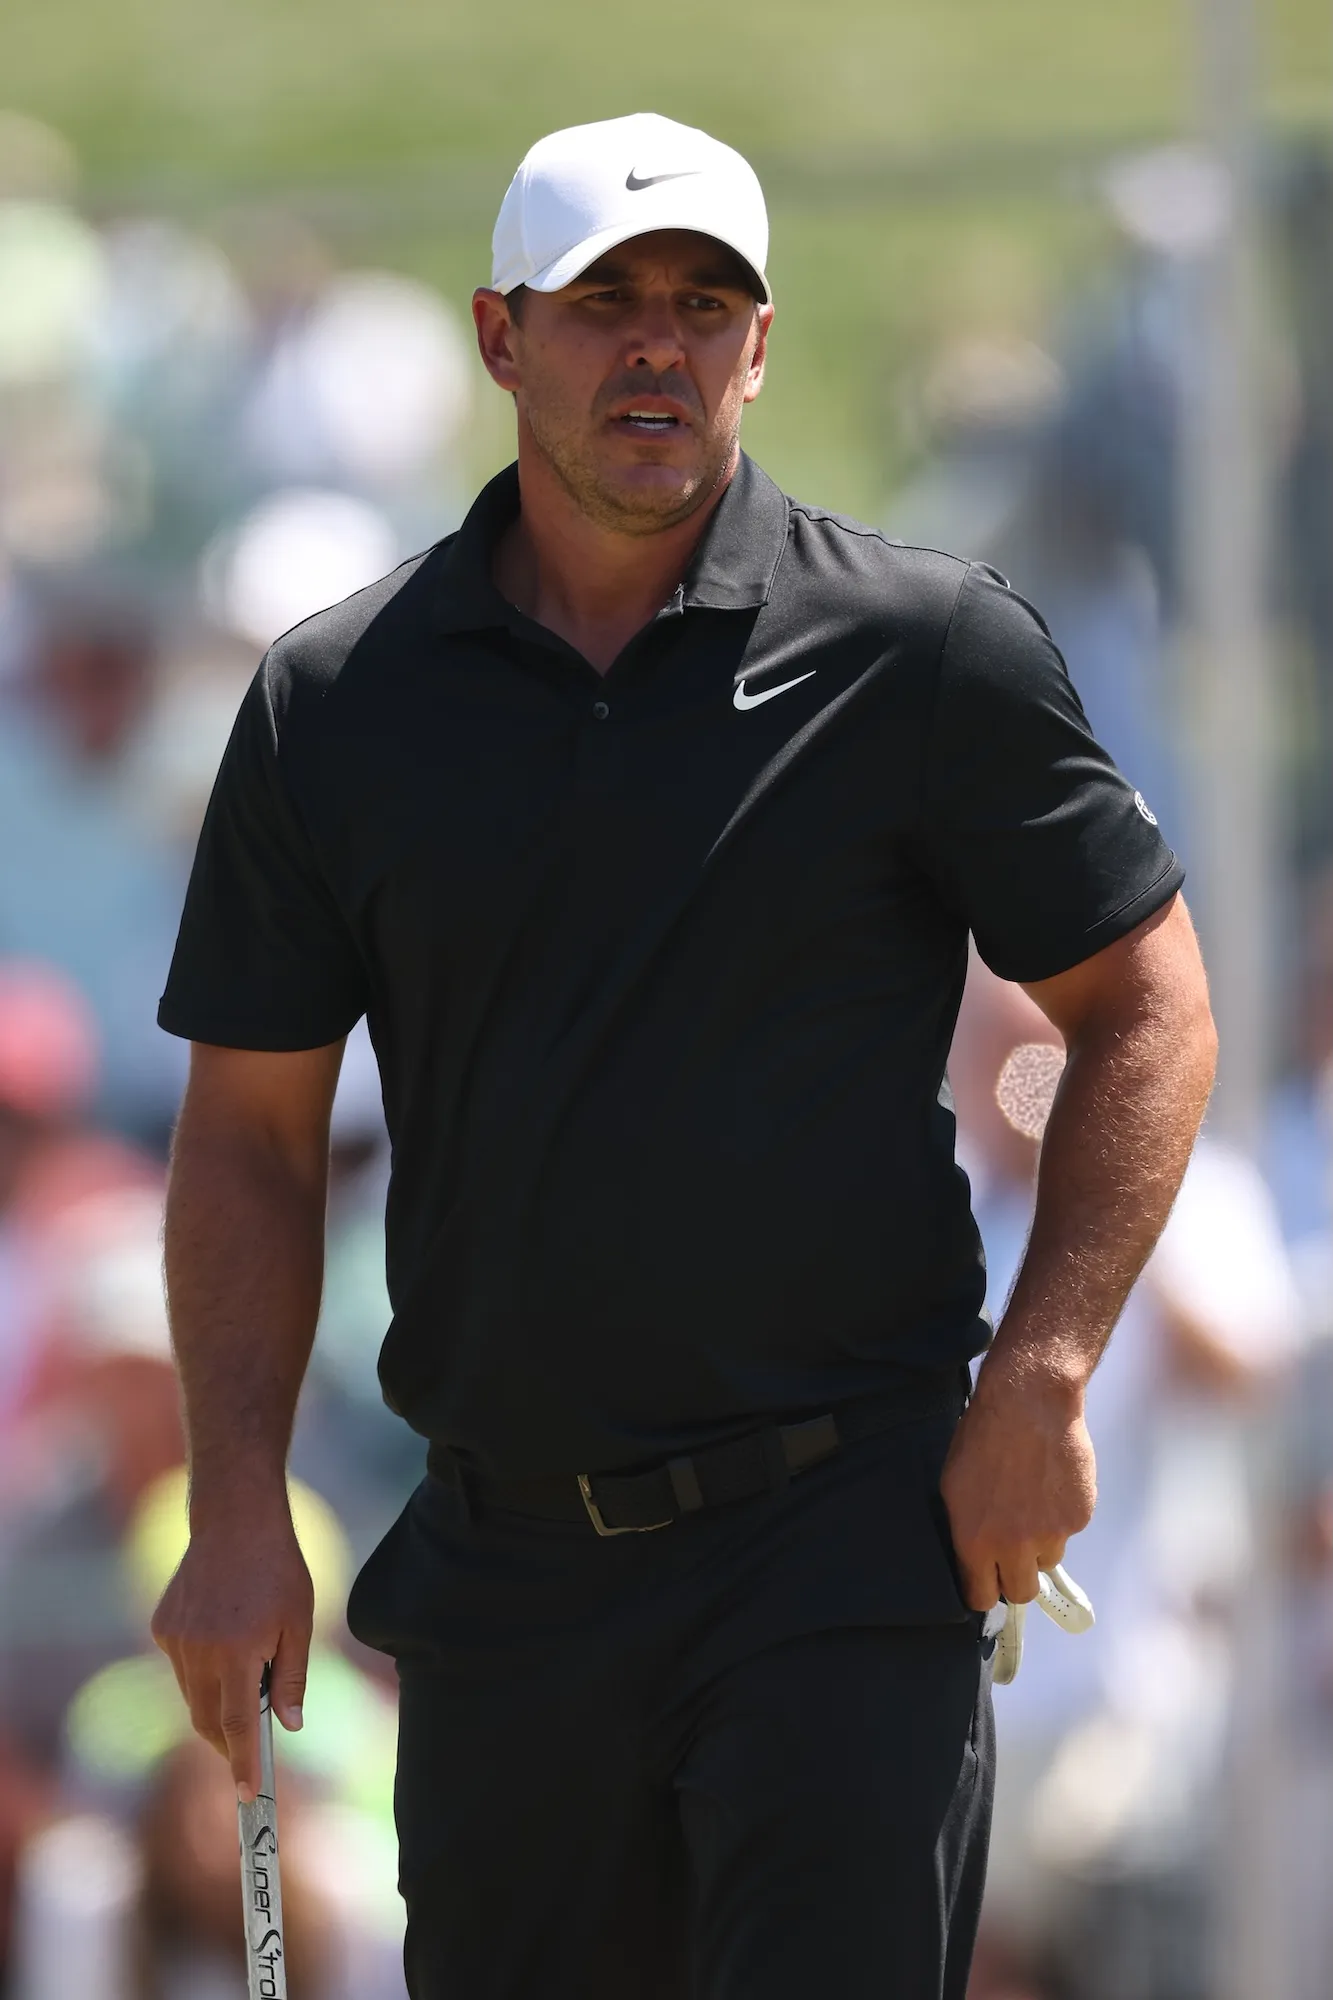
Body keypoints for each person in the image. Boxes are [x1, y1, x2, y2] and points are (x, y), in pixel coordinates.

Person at [149, 112, 1217, 2000]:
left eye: (704, 304)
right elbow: (247, 1130)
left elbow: (1147, 1006)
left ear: (761, 343)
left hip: (845, 1544)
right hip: (506, 1568)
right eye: (605, 304)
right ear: (500, 339)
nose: (659, 344)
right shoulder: (337, 704)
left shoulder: (924, 654)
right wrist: (236, 1503)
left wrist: (1042, 1378)